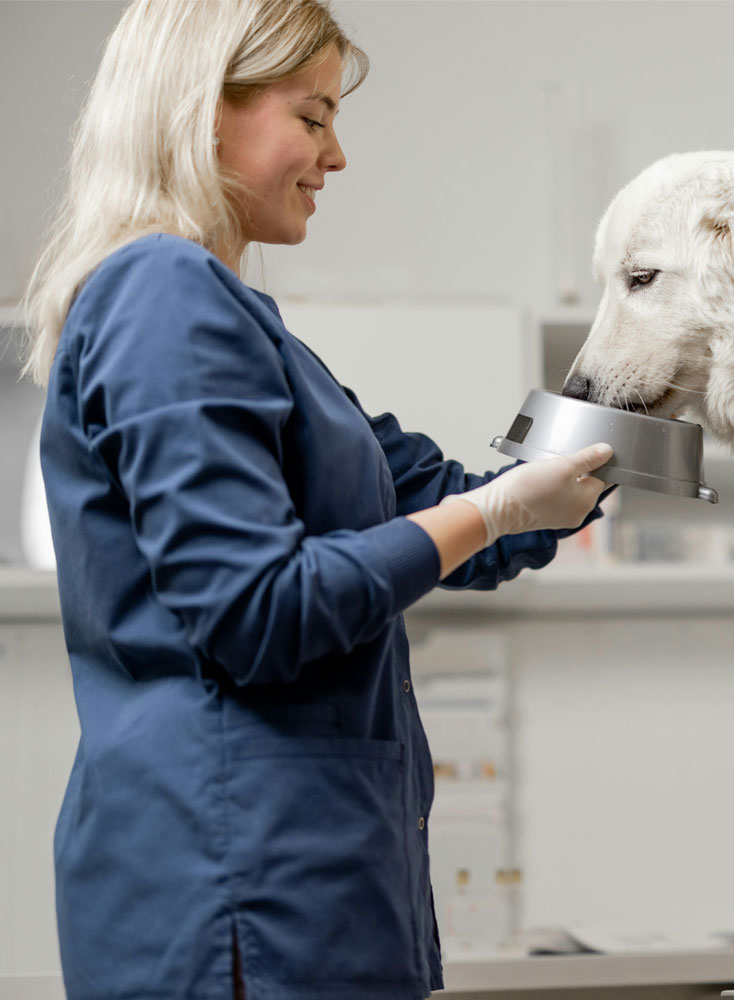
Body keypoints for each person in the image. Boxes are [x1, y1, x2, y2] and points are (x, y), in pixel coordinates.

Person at [19, 2, 613, 999]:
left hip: (304, 892)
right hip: (234, 898)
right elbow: (257, 609)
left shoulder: (255, 335)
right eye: (312, 116)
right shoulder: (163, 291)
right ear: (204, 112)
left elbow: (473, 515)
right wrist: (498, 513)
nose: (336, 156)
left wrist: (632, 386)